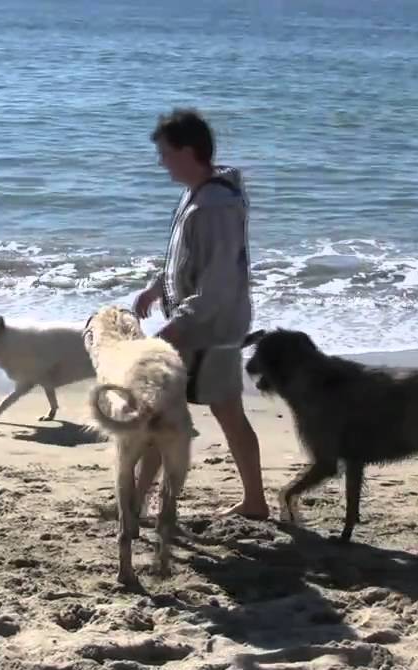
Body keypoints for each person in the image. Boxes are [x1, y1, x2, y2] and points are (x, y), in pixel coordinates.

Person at [134, 108, 268, 519]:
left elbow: (218, 281)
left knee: (223, 413)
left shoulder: (215, 206)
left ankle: (254, 501)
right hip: (198, 325)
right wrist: (158, 286)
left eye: (165, 153)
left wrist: (178, 326)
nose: (161, 162)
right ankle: (137, 500)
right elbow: (186, 258)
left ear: (188, 151)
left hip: (212, 330)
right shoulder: (197, 193)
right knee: (164, 412)